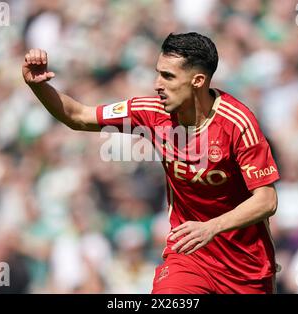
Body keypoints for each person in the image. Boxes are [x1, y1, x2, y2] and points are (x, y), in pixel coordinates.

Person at [22, 32, 280, 294]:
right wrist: (38, 85)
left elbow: (267, 200)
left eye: (168, 76)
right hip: (189, 257)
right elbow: (78, 116)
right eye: (158, 73)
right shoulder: (151, 112)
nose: (157, 84)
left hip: (246, 268)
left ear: (197, 81)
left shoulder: (237, 123)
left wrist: (211, 227)